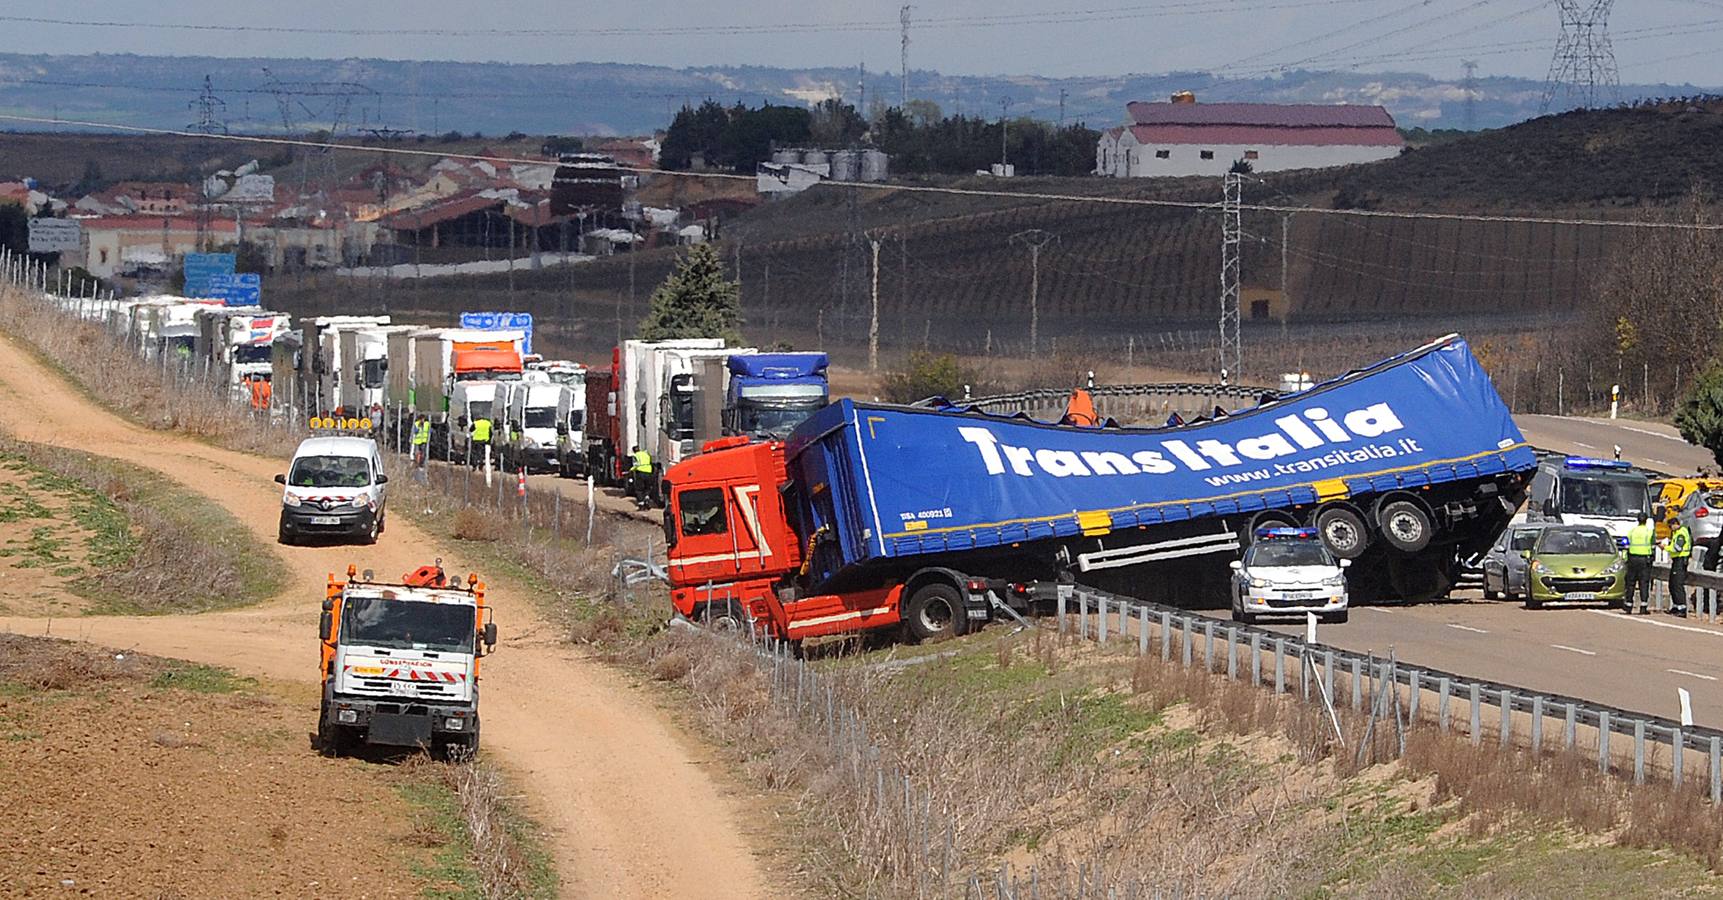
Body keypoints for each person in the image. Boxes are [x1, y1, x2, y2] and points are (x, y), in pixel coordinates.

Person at [1625, 513, 1656, 614]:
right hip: (1644, 560)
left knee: (1630, 583)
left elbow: (1627, 543)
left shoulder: (1632, 531)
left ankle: (1628, 605)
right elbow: (1653, 545)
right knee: (1644, 583)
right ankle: (1643, 607)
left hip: (1632, 558)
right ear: (1646, 520)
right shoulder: (1649, 532)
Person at [1668, 520, 1694, 616]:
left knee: (1677, 584)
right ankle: (1676, 606)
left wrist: (1665, 548)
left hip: (1680, 561)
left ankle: (1682, 608)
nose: (1670, 528)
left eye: (1671, 526)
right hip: (1676, 560)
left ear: (1676, 524)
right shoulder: (1677, 533)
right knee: (1672, 584)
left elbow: (1677, 548)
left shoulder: (1681, 533)